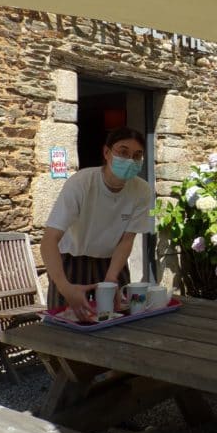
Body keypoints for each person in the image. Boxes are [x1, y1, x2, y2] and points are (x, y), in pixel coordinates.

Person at [41, 127, 153, 322]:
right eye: (123, 152)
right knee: (66, 322)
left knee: (121, 320)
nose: (129, 160)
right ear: (107, 152)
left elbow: (127, 240)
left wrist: (111, 278)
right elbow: (49, 239)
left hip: (111, 263)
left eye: (137, 155)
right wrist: (64, 286)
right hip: (71, 262)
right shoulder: (82, 183)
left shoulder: (142, 190)